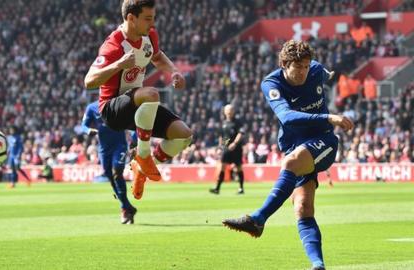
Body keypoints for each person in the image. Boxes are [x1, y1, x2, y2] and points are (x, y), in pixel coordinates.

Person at [222, 40, 354, 270]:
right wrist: (328, 116)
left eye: (306, 66)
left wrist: (328, 78)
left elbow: (325, 74)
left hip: (324, 141)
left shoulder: (316, 70)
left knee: (291, 163)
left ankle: (258, 219)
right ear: (284, 64)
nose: (303, 71)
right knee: (303, 207)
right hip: (295, 143)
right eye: (297, 67)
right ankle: (318, 265)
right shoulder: (271, 83)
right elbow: (287, 117)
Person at [84, 0, 192, 200]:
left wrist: (174, 72)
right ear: (131, 18)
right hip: (111, 109)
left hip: (138, 105)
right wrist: (118, 64)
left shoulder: (149, 35)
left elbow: (157, 57)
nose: (152, 24)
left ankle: (140, 168)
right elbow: (89, 81)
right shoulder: (113, 45)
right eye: (148, 19)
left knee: (184, 135)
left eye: (153, 18)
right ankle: (143, 155)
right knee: (151, 94)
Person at [81, 100, 137, 224]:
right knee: (110, 176)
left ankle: (124, 208)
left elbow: (135, 125)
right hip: (103, 150)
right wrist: (88, 130)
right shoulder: (92, 107)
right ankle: (127, 207)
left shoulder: (120, 105)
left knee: (117, 171)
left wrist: (134, 139)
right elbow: (83, 126)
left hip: (120, 146)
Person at [209, 104, 245, 195]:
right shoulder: (224, 123)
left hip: (236, 148)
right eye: (227, 110)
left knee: (238, 168)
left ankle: (241, 188)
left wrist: (234, 143)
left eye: (231, 110)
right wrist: (220, 147)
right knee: (222, 166)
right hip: (226, 148)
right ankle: (217, 188)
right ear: (225, 112)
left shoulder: (238, 122)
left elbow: (240, 133)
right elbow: (223, 137)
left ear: (233, 111)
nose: (229, 112)